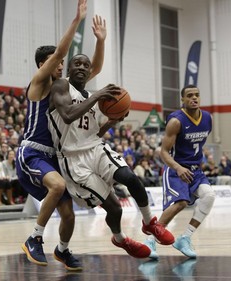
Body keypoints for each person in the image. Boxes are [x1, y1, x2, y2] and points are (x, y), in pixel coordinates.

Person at [48, 54, 174, 258]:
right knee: (115, 209)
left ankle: (150, 223)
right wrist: (97, 96)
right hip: (73, 159)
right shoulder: (61, 87)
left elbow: (93, 133)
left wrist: (113, 121)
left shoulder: (91, 98)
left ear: (90, 72)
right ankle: (120, 239)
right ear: (68, 69)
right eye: (76, 64)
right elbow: (68, 115)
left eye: (86, 65)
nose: (81, 67)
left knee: (130, 178)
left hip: (95, 148)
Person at [16, 0, 107, 270]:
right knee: (57, 186)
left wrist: (100, 41)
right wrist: (76, 20)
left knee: (69, 215)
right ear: (43, 64)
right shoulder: (39, 84)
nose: (60, 65)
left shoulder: (64, 89)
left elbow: (96, 69)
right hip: (32, 151)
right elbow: (60, 52)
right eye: (55, 62)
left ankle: (63, 250)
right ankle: (34, 238)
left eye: (61, 63)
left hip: (55, 157)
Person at [144, 85, 216, 259]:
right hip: (175, 168)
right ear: (182, 100)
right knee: (181, 203)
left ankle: (185, 238)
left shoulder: (208, 118)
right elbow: (163, 152)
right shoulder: (176, 121)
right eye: (190, 95)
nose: (194, 98)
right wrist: (178, 167)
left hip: (195, 171)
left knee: (209, 196)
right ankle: (150, 241)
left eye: (197, 95)